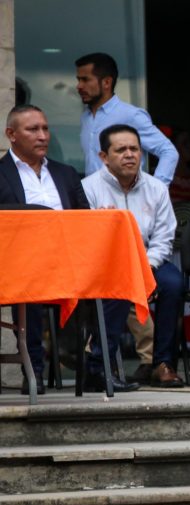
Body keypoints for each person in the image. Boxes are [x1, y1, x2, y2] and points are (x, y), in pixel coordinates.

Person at [82, 124, 184, 389]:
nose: (129, 155)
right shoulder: (88, 189)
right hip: (107, 266)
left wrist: (147, 266)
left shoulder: (156, 188)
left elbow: (164, 237)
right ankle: (103, 366)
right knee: (116, 287)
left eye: (134, 149)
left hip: (148, 261)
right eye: (121, 149)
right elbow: (87, 240)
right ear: (104, 157)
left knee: (173, 283)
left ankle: (162, 363)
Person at [0, 105, 91, 394]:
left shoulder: (65, 174)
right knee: (33, 286)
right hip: (16, 266)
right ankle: (34, 369)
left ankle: (96, 366)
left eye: (45, 128)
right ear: (11, 135)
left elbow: (83, 220)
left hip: (65, 262)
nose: (42, 136)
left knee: (109, 285)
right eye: (32, 129)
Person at [76, 52, 178, 185]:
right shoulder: (86, 117)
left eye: (85, 80)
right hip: (92, 199)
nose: (79, 86)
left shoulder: (131, 115)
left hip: (125, 198)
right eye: (78, 80)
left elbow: (168, 151)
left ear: (107, 82)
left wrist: (157, 190)